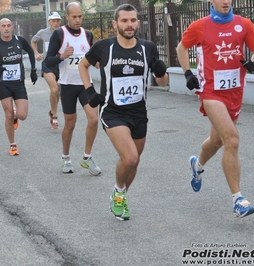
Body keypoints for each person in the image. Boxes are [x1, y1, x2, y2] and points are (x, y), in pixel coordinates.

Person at [79, 4, 168, 220]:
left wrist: (161, 71)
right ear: (115, 24)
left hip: (139, 113)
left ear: (138, 23)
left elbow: (163, 83)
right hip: (112, 112)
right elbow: (82, 66)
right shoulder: (103, 47)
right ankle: (119, 191)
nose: (129, 25)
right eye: (124, 21)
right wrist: (89, 91)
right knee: (129, 158)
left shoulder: (148, 48)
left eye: (132, 21)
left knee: (135, 161)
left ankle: (120, 197)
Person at [176, 0, 254, 218]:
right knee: (231, 138)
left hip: (235, 92)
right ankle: (238, 199)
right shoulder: (200, 26)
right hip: (211, 92)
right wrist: (187, 73)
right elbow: (181, 47)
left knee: (217, 140)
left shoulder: (244, 24)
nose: (226, 1)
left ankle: (197, 164)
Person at [45, 2, 101, 175]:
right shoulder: (59, 34)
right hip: (68, 85)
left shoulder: (88, 35)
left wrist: (97, 62)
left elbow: (89, 58)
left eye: (80, 16)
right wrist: (62, 56)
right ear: (67, 17)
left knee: (93, 119)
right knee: (70, 123)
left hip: (85, 84)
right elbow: (48, 61)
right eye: (74, 17)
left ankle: (87, 157)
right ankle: (65, 157)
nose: (78, 20)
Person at [0, 18, 37, 156]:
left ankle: (15, 113)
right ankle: (12, 144)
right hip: (4, 84)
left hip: (19, 83)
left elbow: (31, 52)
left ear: (12, 27)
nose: (6, 28)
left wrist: (34, 71)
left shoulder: (20, 40)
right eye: (3, 26)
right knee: (8, 115)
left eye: (8, 26)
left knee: (22, 115)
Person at [31, 12, 62, 129]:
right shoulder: (43, 32)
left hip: (61, 64)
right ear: (49, 22)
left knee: (57, 91)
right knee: (54, 89)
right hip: (48, 64)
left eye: (58, 21)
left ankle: (52, 111)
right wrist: (36, 53)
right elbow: (33, 40)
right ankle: (54, 116)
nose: (56, 23)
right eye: (53, 21)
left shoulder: (64, 32)